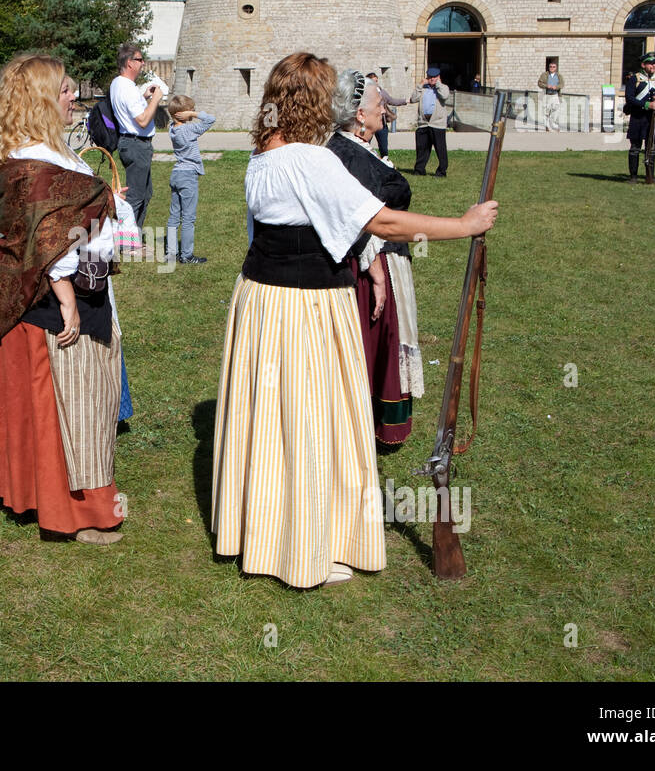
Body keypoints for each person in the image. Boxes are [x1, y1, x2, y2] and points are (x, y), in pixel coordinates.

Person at [210, 52, 498, 589]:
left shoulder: (261, 155)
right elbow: (383, 222)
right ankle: (307, 546)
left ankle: (264, 529)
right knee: (316, 418)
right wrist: (463, 225)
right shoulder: (311, 160)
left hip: (260, 300)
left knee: (272, 420)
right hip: (307, 306)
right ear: (315, 101)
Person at [0, 53, 127, 545]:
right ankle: (77, 511)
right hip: (52, 302)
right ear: (40, 100)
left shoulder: (50, 152)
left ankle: (45, 493)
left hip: (59, 289)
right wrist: (66, 300)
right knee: (72, 404)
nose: (73, 97)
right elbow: (49, 240)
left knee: (77, 405)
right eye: (63, 90)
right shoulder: (34, 161)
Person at [326, 70, 424, 446]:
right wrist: (377, 270)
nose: (385, 112)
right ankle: (364, 427)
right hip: (373, 262)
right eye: (380, 106)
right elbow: (362, 220)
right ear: (359, 115)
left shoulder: (358, 149)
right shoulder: (348, 153)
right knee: (373, 345)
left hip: (386, 258)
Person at [110, 43, 164, 228]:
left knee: (145, 193)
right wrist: (156, 100)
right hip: (136, 145)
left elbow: (130, 110)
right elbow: (142, 120)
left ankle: (135, 237)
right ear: (129, 63)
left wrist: (145, 97)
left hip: (131, 142)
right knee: (135, 196)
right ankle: (127, 241)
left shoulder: (118, 83)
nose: (143, 63)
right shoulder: (127, 87)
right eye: (140, 60)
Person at [165, 94, 214, 265]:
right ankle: (186, 255)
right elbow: (210, 120)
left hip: (177, 173)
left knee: (174, 216)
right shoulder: (188, 130)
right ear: (183, 113)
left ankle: (171, 253)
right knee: (188, 218)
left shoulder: (172, 128)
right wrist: (194, 115)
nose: (193, 112)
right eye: (191, 110)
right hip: (188, 175)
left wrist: (186, 114)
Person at [624, 51, 655, 184]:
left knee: (652, 148)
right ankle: (633, 176)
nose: (653, 66)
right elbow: (629, 98)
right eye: (650, 63)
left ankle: (650, 175)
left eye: (654, 64)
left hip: (654, 117)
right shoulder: (635, 79)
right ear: (643, 65)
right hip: (638, 117)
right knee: (635, 148)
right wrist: (646, 104)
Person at [412, 67, 452, 177]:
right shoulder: (423, 88)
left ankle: (441, 171)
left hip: (437, 123)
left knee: (440, 149)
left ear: (438, 77)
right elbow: (413, 98)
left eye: (434, 77)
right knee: (422, 148)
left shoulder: (443, 87)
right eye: (430, 77)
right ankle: (419, 170)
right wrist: (420, 85)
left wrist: (438, 84)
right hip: (424, 123)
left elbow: (445, 96)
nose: (432, 79)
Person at [366, 71, 407, 160]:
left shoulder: (381, 92)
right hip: (370, 123)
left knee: (384, 147)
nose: (375, 83)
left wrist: (406, 101)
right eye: (373, 81)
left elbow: (392, 100)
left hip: (381, 123)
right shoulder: (365, 93)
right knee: (365, 144)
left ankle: (385, 163)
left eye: (376, 81)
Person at [538, 60, 563, 131]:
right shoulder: (544, 75)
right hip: (546, 95)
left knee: (556, 110)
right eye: (550, 67)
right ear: (548, 67)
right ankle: (547, 126)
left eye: (553, 67)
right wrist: (546, 86)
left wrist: (557, 87)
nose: (552, 68)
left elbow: (562, 84)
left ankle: (553, 123)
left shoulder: (559, 76)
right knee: (546, 111)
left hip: (555, 95)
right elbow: (539, 83)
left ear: (556, 68)